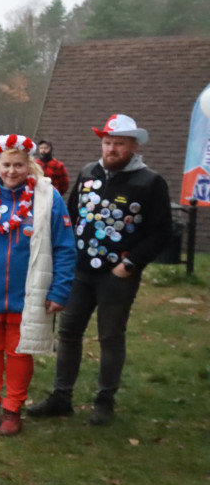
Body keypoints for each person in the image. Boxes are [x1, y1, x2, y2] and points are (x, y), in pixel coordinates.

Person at [29, 114, 172, 425]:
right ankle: (61, 395)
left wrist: (130, 263)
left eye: (118, 144)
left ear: (133, 146)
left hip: (117, 274)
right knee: (68, 332)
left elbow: (162, 231)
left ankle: (104, 399)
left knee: (110, 336)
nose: (111, 149)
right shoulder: (87, 172)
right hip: (80, 271)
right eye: (107, 143)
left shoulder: (150, 182)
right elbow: (70, 217)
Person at [0, 134, 76, 436]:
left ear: (30, 165)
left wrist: (60, 290)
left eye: (19, 165)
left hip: (28, 294)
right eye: (6, 164)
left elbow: (64, 247)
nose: (11, 171)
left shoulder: (48, 198)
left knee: (20, 353)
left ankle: (12, 409)